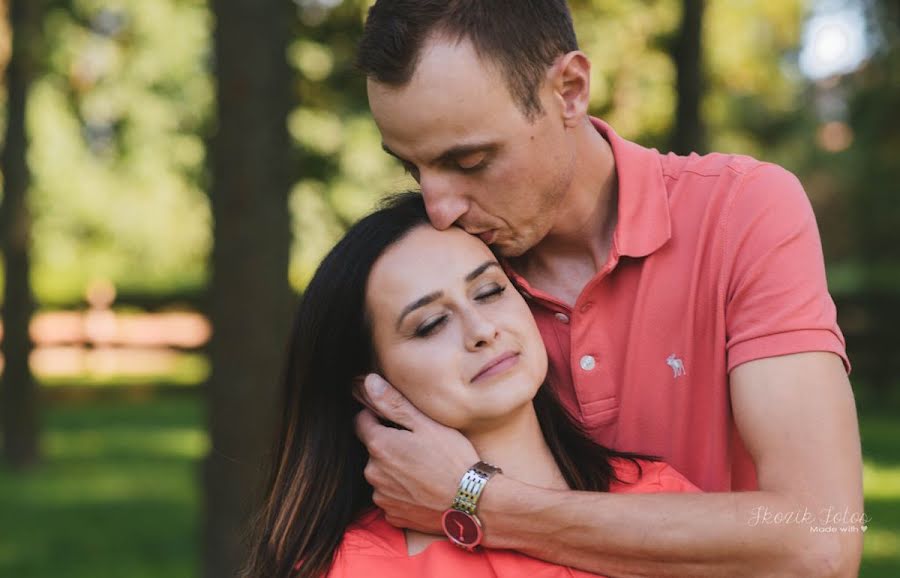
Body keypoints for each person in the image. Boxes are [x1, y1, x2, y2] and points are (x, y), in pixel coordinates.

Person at [353, 1, 864, 576]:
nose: (440, 208)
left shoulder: (739, 212)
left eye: (470, 159)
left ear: (569, 89)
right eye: (412, 169)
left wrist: (478, 501)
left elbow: (821, 541)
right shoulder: (454, 284)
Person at [241, 192, 699, 578]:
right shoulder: (351, 566)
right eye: (431, 324)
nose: (481, 328)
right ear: (371, 387)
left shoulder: (657, 497)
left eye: (489, 292)